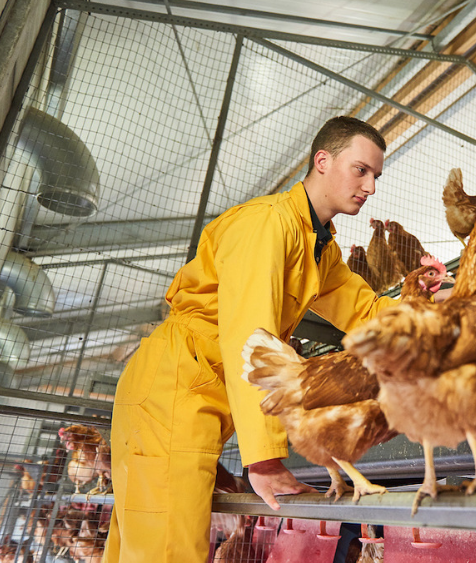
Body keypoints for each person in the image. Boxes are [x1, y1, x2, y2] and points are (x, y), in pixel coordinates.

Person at [102, 116, 398, 563]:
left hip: (190, 392)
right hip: (172, 391)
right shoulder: (268, 225)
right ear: (322, 161)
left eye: (376, 175)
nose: (370, 187)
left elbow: (365, 310)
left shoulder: (317, 244)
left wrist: (444, 308)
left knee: (143, 549)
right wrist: (263, 459)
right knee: (167, 552)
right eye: (361, 170)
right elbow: (250, 334)